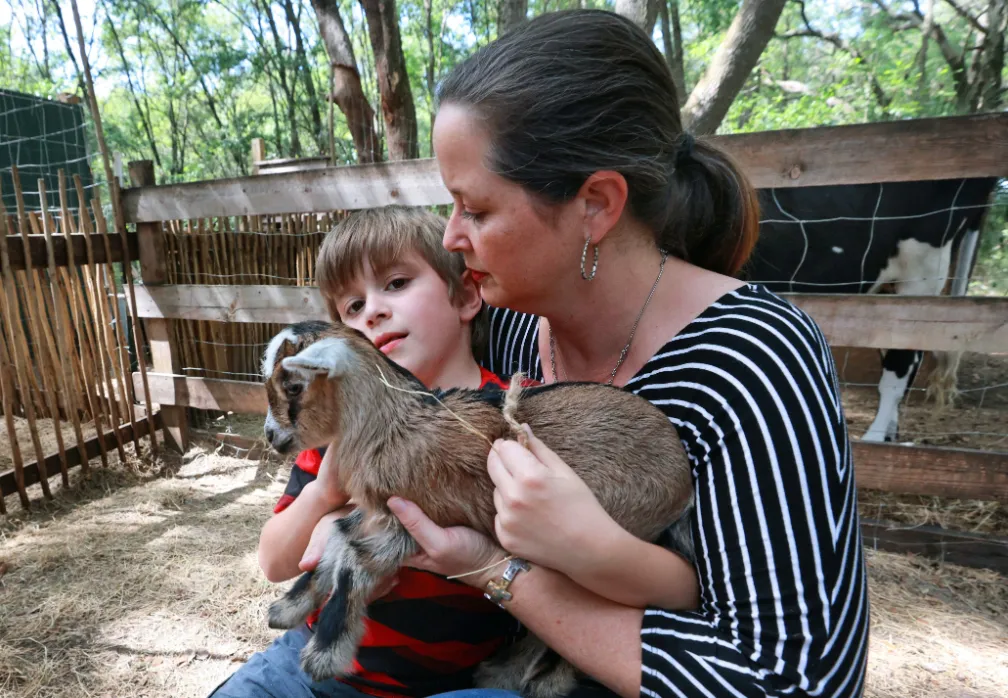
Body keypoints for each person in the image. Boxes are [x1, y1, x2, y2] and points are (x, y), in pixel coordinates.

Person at [379, 9, 870, 698]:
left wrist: (500, 572)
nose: (451, 236)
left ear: (597, 205)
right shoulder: (511, 328)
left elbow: (791, 680)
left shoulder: (752, 360)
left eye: (477, 209)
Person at [209, 206, 556, 698]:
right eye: (351, 308)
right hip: (307, 666)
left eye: (396, 283)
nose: (371, 311)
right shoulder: (335, 434)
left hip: (451, 680)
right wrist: (325, 494)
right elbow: (273, 563)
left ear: (465, 295)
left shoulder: (513, 417)